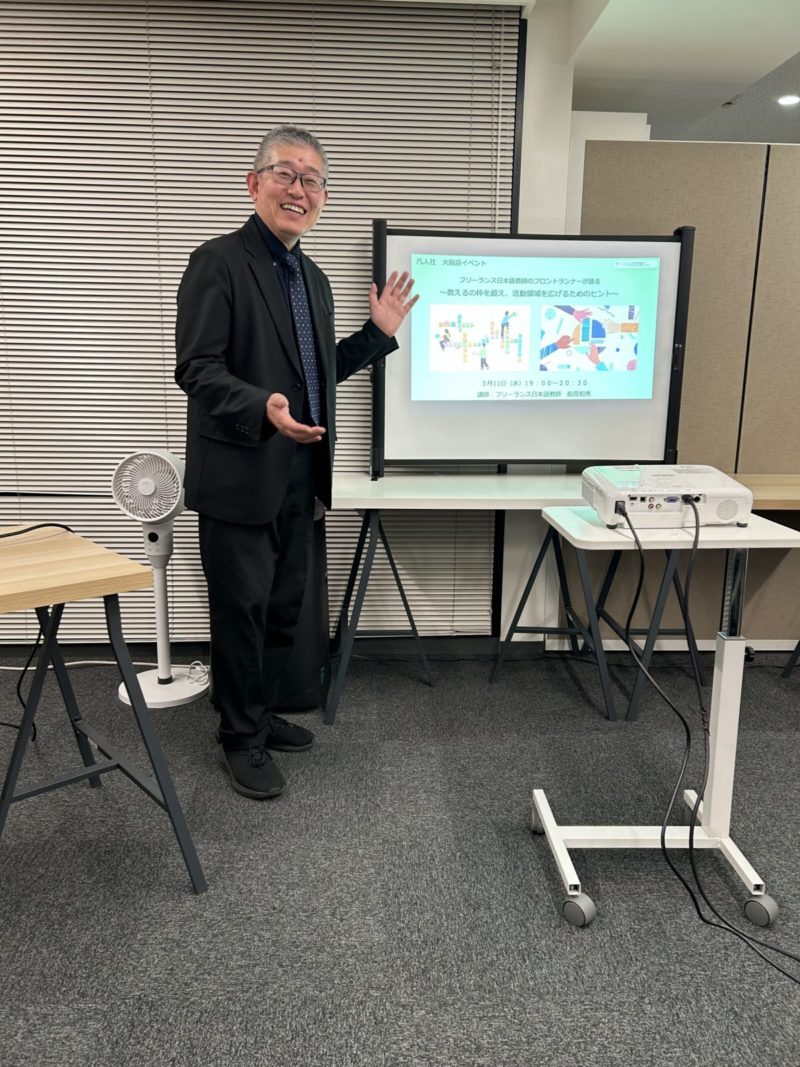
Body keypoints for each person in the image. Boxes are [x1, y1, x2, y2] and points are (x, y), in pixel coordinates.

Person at [175, 125, 417, 800]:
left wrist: (377, 335)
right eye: (285, 173)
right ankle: (238, 737)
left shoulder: (313, 278)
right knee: (242, 614)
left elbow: (317, 372)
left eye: (312, 180)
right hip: (239, 477)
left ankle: (259, 713)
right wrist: (262, 406)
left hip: (300, 476)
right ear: (254, 183)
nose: (298, 189)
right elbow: (197, 368)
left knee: (283, 611)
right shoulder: (217, 262)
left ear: (323, 197)